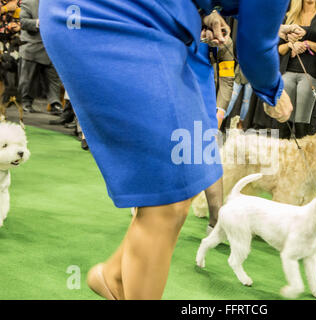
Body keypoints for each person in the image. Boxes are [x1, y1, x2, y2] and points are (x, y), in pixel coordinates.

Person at [40, 0, 293, 300]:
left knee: (182, 181)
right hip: (110, 16)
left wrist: (207, 12)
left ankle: (115, 278)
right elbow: (256, 49)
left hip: (147, 23)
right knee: (168, 198)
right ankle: (116, 279)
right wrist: (273, 90)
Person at [278, 0, 316, 138]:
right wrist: (291, 45)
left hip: (310, 73)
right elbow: (279, 49)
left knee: (302, 123)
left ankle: (302, 157)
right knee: (283, 120)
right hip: (288, 71)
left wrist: (309, 44)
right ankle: (280, 157)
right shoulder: (289, 16)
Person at [18, 0, 62, 114]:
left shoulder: (56, 4)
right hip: (32, 45)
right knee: (27, 79)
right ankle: (25, 102)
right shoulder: (28, 3)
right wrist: (38, 22)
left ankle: (55, 103)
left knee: (53, 79)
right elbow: (23, 22)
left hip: (50, 46)